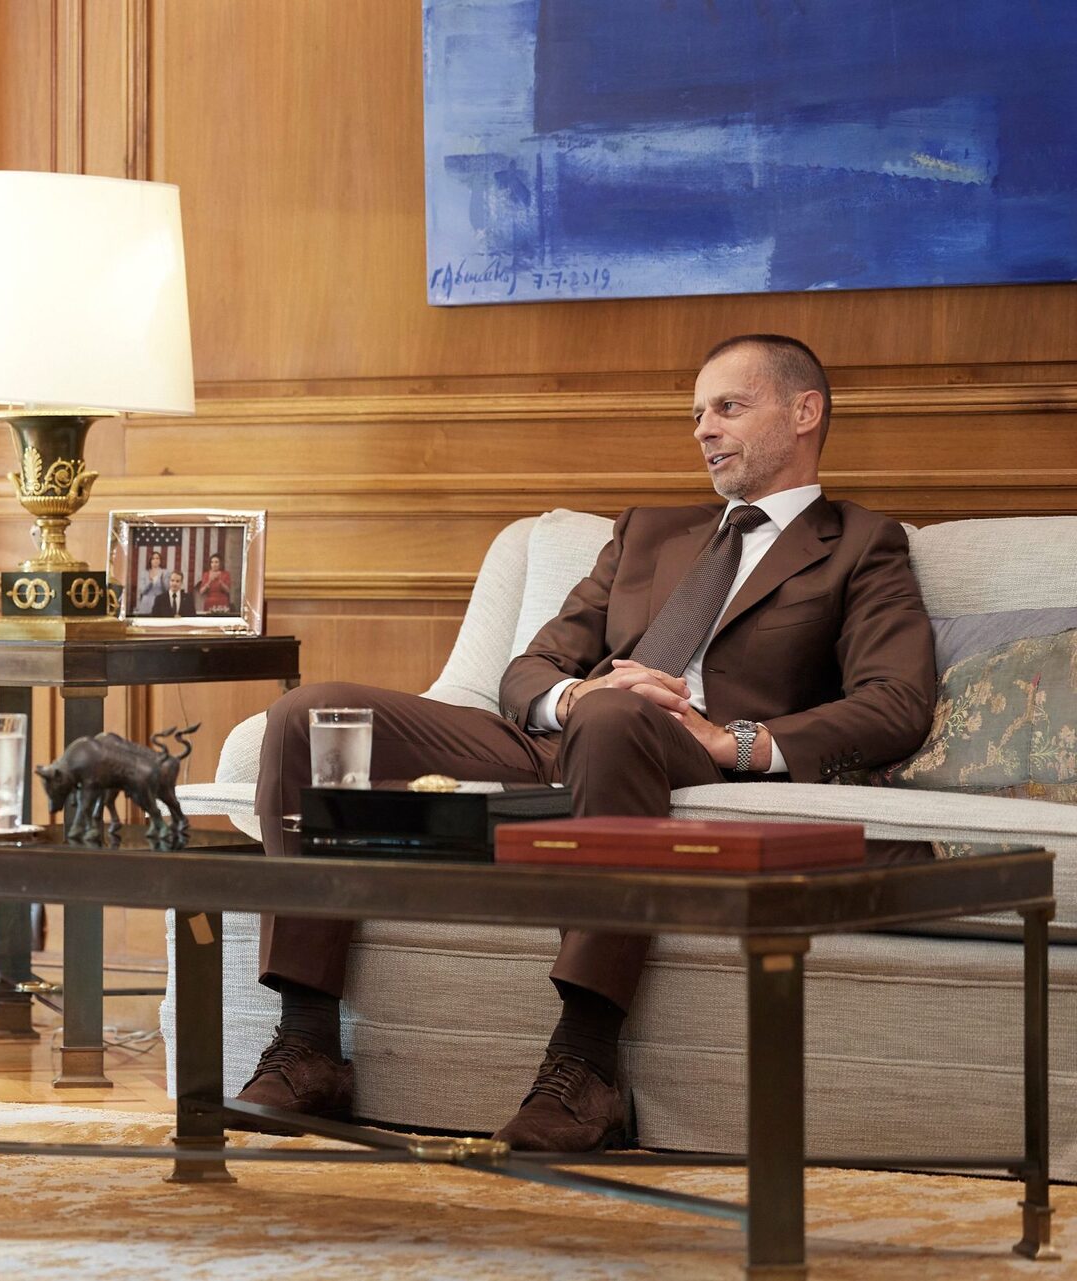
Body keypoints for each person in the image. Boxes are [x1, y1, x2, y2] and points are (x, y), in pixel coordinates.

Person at [237, 334, 935, 1153]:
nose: (704, 429)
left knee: (618, 719)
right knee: (311, 715)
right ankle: (308, 1045)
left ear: (805, 412)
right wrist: (573, 695)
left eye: (728, 407)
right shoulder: (647, 533)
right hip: (561, 737)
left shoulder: (859, 544)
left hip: (686, 754)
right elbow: (530, 667)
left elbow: (897, 701)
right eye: (697, 413)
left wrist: (734, 741)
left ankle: (586, 1065)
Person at [134, 547, 169, 615]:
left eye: (157, 558)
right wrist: (150, 582)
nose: (155, 560)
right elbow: (143, 591)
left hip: (160, 603)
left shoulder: (165, 573)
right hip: (146, 603)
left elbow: (166, 591)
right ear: (150, 560)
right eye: (153, 558)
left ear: (160, 560)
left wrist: (162, 581)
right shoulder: (144, 573)